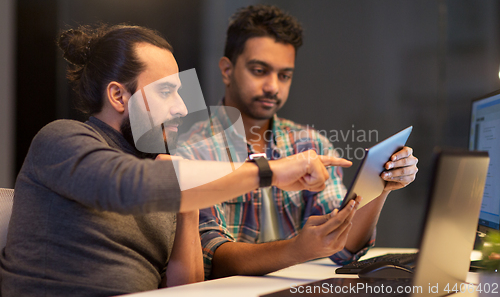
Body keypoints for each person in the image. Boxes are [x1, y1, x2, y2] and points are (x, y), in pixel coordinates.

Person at [0, 24, 356, 296]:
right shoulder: (62, 139)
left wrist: (187, 201)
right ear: (119, 96)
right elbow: (127, 186)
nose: (182, 108)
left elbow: (188, 287)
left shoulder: (163, 166)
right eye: (167, 91)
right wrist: (269, 171)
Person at [177, 5, 419, 279]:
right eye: (259, 70)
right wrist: (298, 250)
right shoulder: (193, 151)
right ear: (226, 70)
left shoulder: (309, 145)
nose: (273, 86)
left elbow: (343, 246)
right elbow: (213, 259)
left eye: (284, 75)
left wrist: (382, 187)